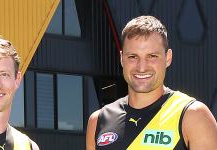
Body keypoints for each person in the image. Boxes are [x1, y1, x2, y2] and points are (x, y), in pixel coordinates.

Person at [86, 16, 217, 150]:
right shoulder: (98, 121)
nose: (142, 67)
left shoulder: (193, 116)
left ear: (168, 58)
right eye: (132, 57)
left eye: (152, 56)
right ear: (121, 59)